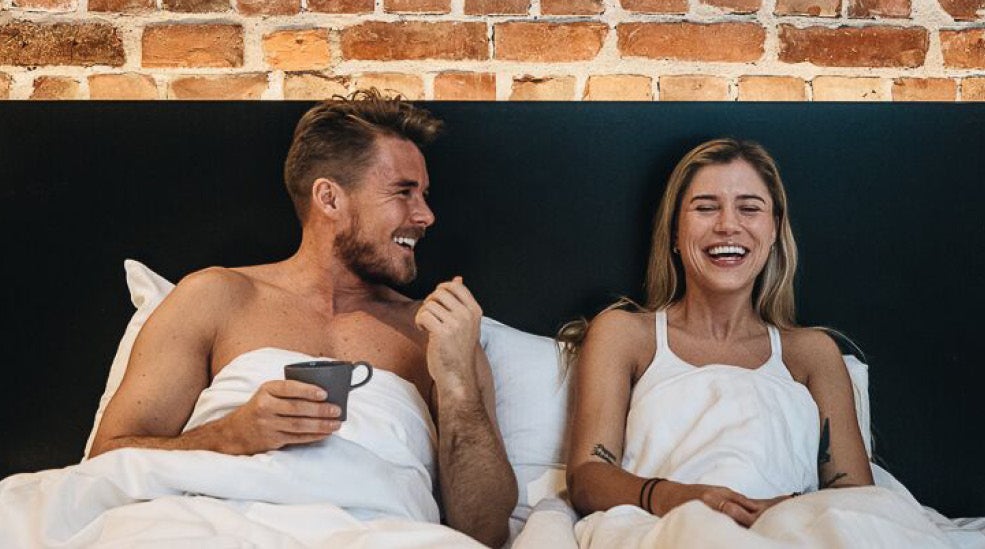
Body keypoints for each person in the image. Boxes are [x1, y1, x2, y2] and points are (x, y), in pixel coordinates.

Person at [89, 90, 516, 547]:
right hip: (205, 528)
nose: (426, 215)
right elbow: (105, 461)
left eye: (424, 195)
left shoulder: (434, 333)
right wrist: (232, 435)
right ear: (329, 199)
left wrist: (457, 383)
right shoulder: (215, 297)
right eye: (403, 192)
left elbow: (485, 531)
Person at [563, 138, 878, 526]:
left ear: (775, 230)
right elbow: (587, 477)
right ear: (674, 232)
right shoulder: (625, 335)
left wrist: (785, 510)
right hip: (667, 530)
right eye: (706, 207)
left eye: (749, 208)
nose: (728, 225)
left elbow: (858, 497)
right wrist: (675, 498)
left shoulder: (813, 353)